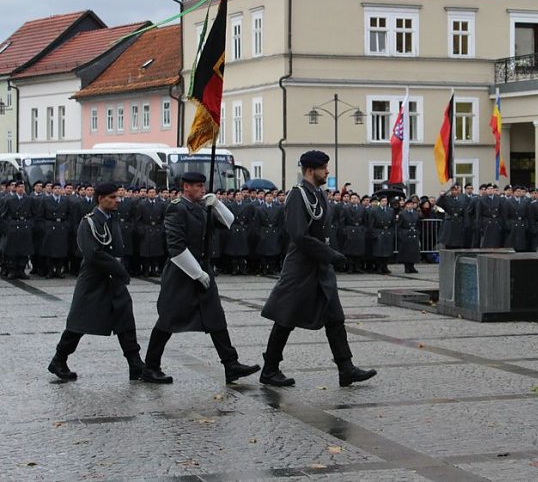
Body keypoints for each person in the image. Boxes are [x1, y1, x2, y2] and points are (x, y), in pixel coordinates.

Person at [260, 150, 376, 388]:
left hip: (320, 267)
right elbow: (299, 235)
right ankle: (270, 369)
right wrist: (331, 255)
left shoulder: (318, 194)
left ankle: (346, 368)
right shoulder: (297, 195)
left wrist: (331, 254)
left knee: (335, 317)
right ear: (311, 170)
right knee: (285, 317)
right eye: (324, 168)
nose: (328, 172)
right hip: (301, 267)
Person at [140, 172, 260, 384]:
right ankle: (150, 367)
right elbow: (176, 247)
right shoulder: (177, 207)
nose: (202, 189)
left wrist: (218, 204)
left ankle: (231, 365)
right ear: (186, 187)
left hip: (203, 268)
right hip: (181, 272)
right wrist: (197, 273)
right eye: (197, 186)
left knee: (216, 317)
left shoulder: (202, 206)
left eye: (203, 186)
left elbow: (229, 222)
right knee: (168, 319)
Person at [48, 182, 143, 382]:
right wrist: (120, 270)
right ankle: (59, 359)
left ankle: (135, 364)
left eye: (117, 197)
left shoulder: (113, 218)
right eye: (113, 197)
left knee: (125, 320)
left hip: (113, 280)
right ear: (101, 198)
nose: (117, 200)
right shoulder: (89, 222)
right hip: (94, 279)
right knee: (79, 322)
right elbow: (93, 254)